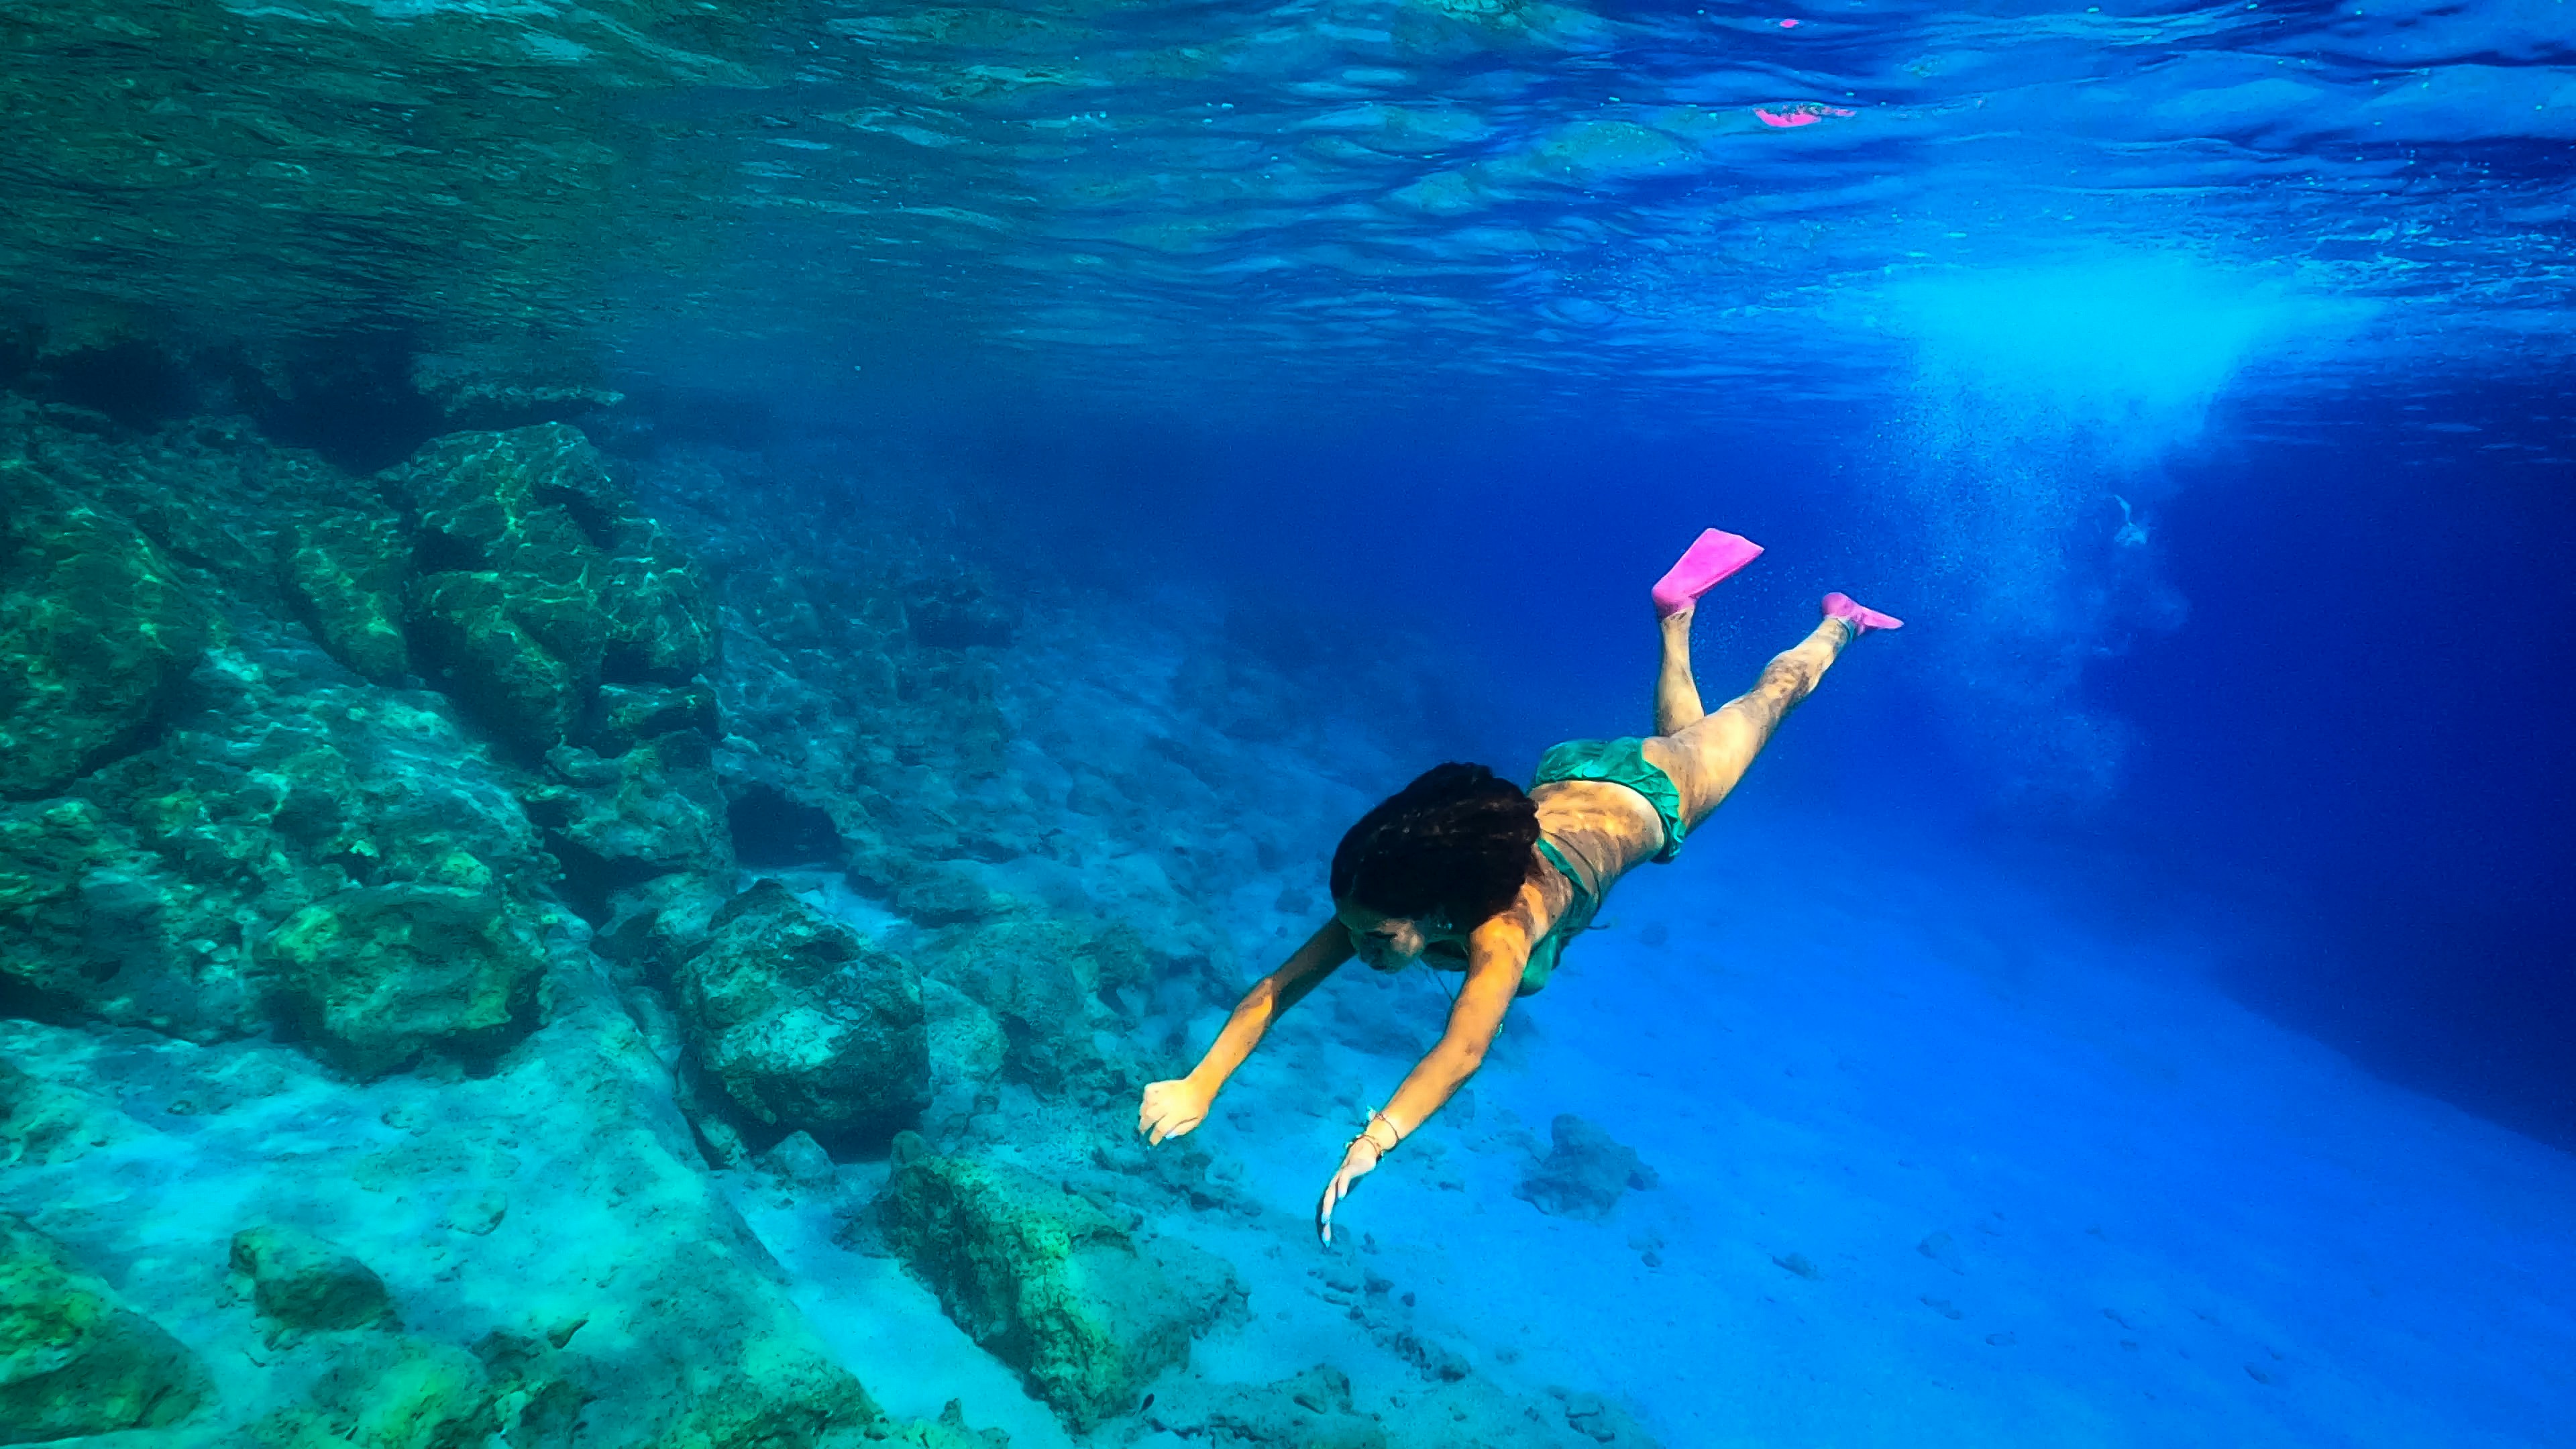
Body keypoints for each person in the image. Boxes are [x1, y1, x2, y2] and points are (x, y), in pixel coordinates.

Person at [1133, 529, 1902, 1242]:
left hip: (1632, 795)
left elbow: (1463, 1051)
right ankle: (1677, 615)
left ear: (1434, 910)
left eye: (1374, 937)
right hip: (1587, 782)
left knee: (1767, 704)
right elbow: (1276, 988)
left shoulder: (1502, 932)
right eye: (1355, 928)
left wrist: (1373, 1143)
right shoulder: (1383, 903)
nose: (1358, 947)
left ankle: (1839, 624)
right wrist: (1200, 1083)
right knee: (1688, 743)